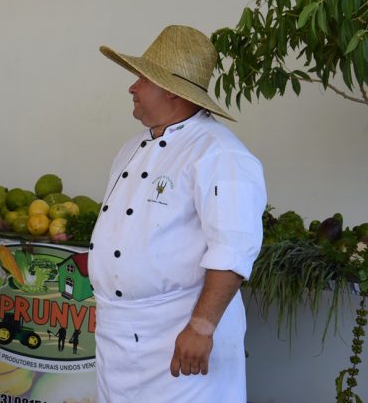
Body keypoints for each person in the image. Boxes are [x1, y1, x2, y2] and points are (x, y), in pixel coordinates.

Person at [87, 25, 266, 402]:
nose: (132, 88)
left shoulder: (219, 153)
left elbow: (232, 250)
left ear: (169, 88)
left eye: (141, 78)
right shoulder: (132, 147)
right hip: (119, 337)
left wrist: (201, 327)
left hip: (178, 335)